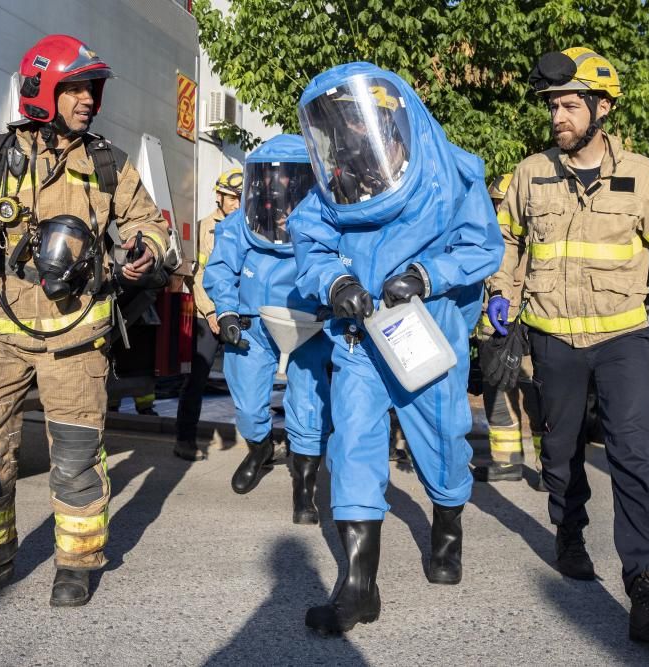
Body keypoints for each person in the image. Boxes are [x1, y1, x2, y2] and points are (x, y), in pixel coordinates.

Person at [0, 35, 170, 609]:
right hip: (0, 337)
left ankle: (76, 563)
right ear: (43, 90)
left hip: (75, 341)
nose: (89, 100)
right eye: (76, 88)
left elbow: (151, 222)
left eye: (91, 89)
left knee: (76, 456)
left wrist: (146, 246)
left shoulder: (108, 164)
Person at [487, 48, 649, 645]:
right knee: (562, 453)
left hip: (621, 337)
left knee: (634, 456)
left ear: (602, 108)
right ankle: (568, 529)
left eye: (569, 105)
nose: (558, 117)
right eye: (553, 107)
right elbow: (506, 242)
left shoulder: (641, 175)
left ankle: (647, 585)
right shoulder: (528, 173)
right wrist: (500, 294)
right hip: (552, 338)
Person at [289, 62, 503, 635]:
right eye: (342, 123)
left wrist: (426, 274)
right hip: (358, 335)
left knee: (444, 440)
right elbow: (310, 243)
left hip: (423, 331)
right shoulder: (336, 183)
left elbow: (482, 245)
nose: (353, 132)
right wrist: (337, 283)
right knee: (353, 442)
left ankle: (447, 527)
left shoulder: (450, 171)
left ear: (391, 115)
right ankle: (359, 589)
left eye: (360, 119)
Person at [203, 135, 332, 523]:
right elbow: (221, 270)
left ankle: (304, 490)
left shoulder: (324, 225)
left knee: (309, 402)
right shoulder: (238, 225)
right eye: (274, 181)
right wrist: (225, 313)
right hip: (252, 324)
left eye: (291, 181)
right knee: (246, 402)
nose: (281, 189)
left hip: (307, 323)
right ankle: (259, 449)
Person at [474, 173, 546, 490]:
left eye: (502, 202)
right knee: (498, 396)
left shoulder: (534, 239)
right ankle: (506, 462)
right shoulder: (488, 236)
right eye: (495, 203)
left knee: (539, 397)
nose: (499, 208)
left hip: (527, 328)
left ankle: (550, 468)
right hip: (495, 332)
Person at [173, 169, 243, 461]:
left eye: (240, 198)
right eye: (232, 199)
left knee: (245, 379)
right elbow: (198, 275)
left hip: (238, 313)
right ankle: (184, 440)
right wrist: (212, 311)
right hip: (208, 314)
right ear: (219, 196)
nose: (237, 204)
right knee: (197, 379)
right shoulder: (204, 228)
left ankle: (256, 441)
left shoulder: (246, 226)